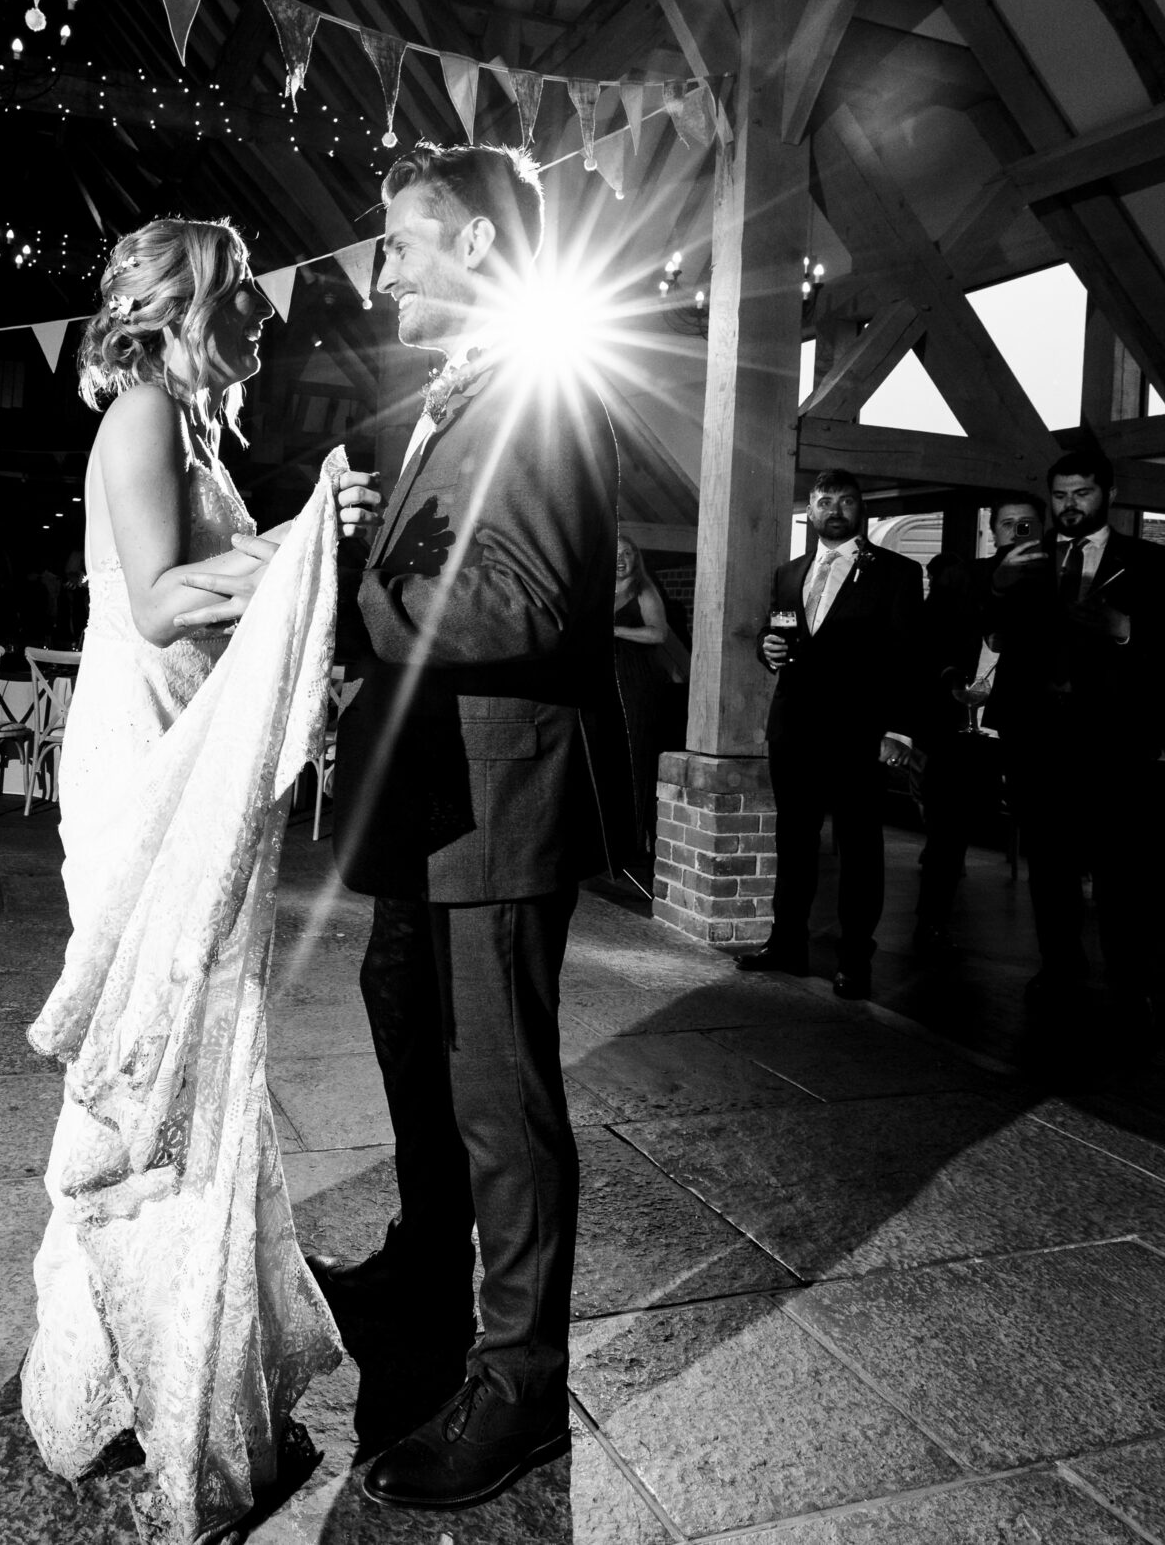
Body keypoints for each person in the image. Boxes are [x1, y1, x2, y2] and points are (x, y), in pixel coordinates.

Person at [19, 217, 379, 1541]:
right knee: (168, 1054)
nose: (261, 317)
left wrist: (299, 531)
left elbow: (215, 580)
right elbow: (167, 600)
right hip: (142, 766)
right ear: (171, 309)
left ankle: (132, 1363)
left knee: (204, 1060)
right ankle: (176, 1403)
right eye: (240, 294)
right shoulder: (141, 421)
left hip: (184, 747)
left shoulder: (193, 428)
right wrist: (305, 544)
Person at [301, 144, 632, 1511]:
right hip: (417, 791)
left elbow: (533, 598)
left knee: (501, 1097)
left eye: (405, 243)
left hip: (494, 801)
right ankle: (429, 1257)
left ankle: (518, 1385)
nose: (385, 274)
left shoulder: (545, 383)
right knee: (406, 1030)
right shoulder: (440, 400)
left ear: (482, 243)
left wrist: (353, 601)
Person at [986, 450, 1165, 1018]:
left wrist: (1125, 629)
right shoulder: (1022, 559)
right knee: (1049, 863)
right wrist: (1000, 586)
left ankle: (1128, 976)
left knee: (1119, 865)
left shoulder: (1151, 561)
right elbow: (988, 632)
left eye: (1081, 493)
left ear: (1108, 493)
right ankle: (1058, 966)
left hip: (1111, 737)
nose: (1069, 506)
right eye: (1059, 496)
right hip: (1036, 734)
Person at [738, 469, 924, 998]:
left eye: (846, 500)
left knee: (860, 848)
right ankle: (787, 945)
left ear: (860, 509)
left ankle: (854, 959)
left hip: (859, 733)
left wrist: (899, 733)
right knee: (794, 841)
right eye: (825, 501)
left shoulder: (896, 572)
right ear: (812, 512)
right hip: (794, 729)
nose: (835, 509)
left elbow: (909, 660)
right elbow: (780, 634)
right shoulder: (789, 572)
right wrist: (765, 648)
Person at [911, 494, 1045, 954]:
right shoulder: (963, 577)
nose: (1017, 533)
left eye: (1027, 524)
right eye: (1008, 525)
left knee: (1047, 845)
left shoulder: (1060, 581)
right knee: (946, 838)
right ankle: (930, 923)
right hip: (964, 728)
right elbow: (928, 641)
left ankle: (1056, 954)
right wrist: (949, 676)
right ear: (993, 531)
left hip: (1030, 730)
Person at [611, 536, 684, 853]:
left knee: (635, 756)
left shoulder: (643, 588)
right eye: (616, 554)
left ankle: (637, 838)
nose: (622, 559)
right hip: (606, 680)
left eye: (628, 553)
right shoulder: (599, 589)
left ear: (636, 558)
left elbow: (659, 633)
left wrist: (614, 630)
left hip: (636, 681)